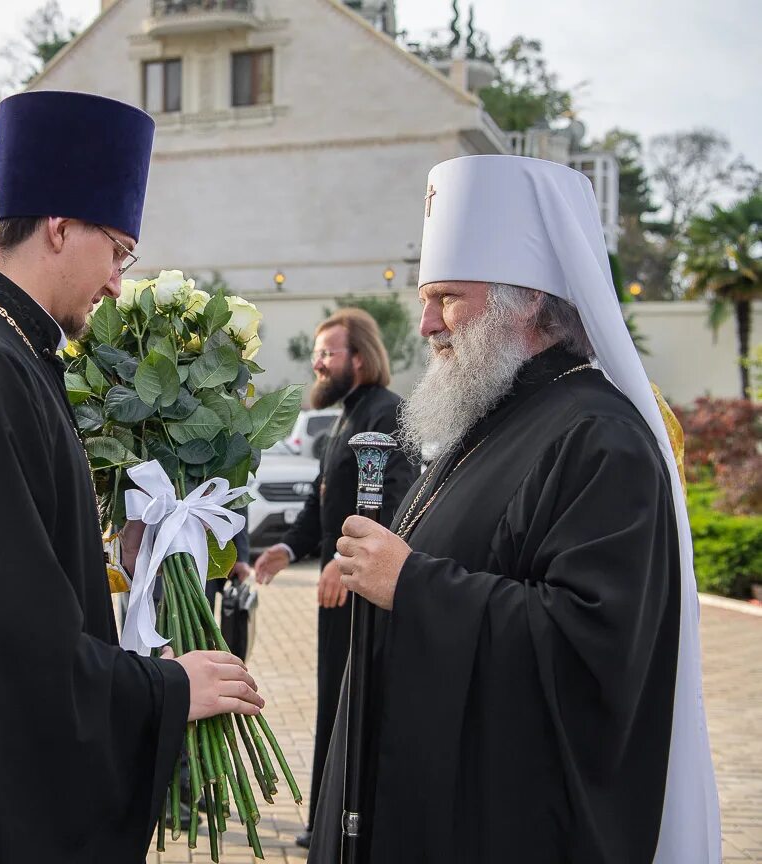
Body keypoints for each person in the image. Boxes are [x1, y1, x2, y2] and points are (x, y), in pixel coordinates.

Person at [0, 90, 264, 863]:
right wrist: (168, 690)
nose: (114, 284)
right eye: (119, 252)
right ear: (62, 227)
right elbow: (4, 648)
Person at [309, 155, 720, 863]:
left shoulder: (600, 440)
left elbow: (591, 648)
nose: (426, 322)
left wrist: (411, 583)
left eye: (447, 298)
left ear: (526, 299)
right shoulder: (498, 418)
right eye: (425, 297)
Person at [251, 308, 416, 848]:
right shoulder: (347, 415)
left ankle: (350, 820)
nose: (317, 363)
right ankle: (327, 819)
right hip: (335, 596)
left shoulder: (388, 413)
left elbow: (396, 504)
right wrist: (284, 548)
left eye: (328, 352)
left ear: (361, 359)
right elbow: (321, 502)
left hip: (363, 595)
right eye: (318, 353)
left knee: (356, 704)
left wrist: (347, 565)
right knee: (332, 702)